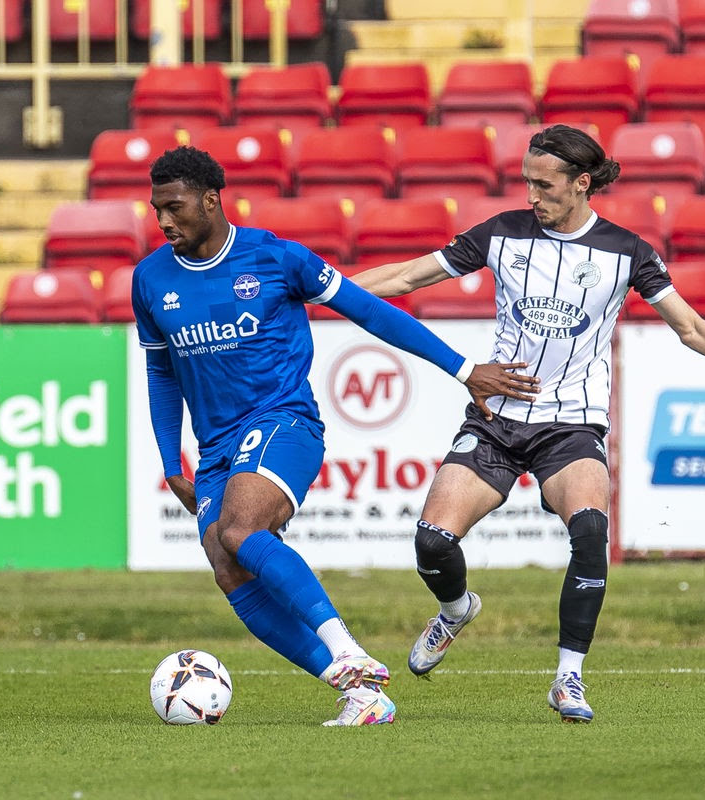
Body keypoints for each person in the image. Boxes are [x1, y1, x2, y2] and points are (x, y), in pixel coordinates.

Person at [353, 124, 705, 723]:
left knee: (588, 530)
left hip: (571, 425)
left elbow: (689, 328)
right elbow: (406, 277)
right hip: (496, 419)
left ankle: (568, 678)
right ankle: (455, 611)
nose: (532, 195)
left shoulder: (627, 252)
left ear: (582, 184)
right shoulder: (501, 233)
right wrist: (325, 291)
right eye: (527, 181)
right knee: (432, 542)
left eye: (544, 184)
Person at [132, 146, 539, 726]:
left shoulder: (276, 258)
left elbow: (371, 312)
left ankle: (350, 652)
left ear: (211, 199)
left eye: (174, 207)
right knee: (227, 564)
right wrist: (172, 460)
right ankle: (359, 693)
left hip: (282, 421)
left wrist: (464, 369)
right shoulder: (150, 279)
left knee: (241, 529)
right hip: (215, 444)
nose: (164, 222)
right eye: (156, 210)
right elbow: (160, 369)